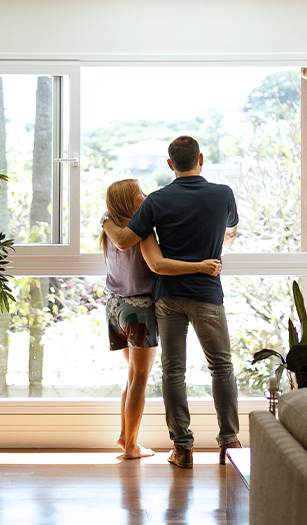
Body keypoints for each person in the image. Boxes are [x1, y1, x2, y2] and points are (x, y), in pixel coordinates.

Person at [103, 136, 240, 469]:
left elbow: (126, 240)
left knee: (172, 372)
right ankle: (230, 443)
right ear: (201, 158)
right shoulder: (223, 194)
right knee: (221, 367)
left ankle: (182, 448)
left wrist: (106, 221)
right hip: (207, 294)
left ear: (169, 164)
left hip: (167, 299)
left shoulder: (157, 201)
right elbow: (231, 231)